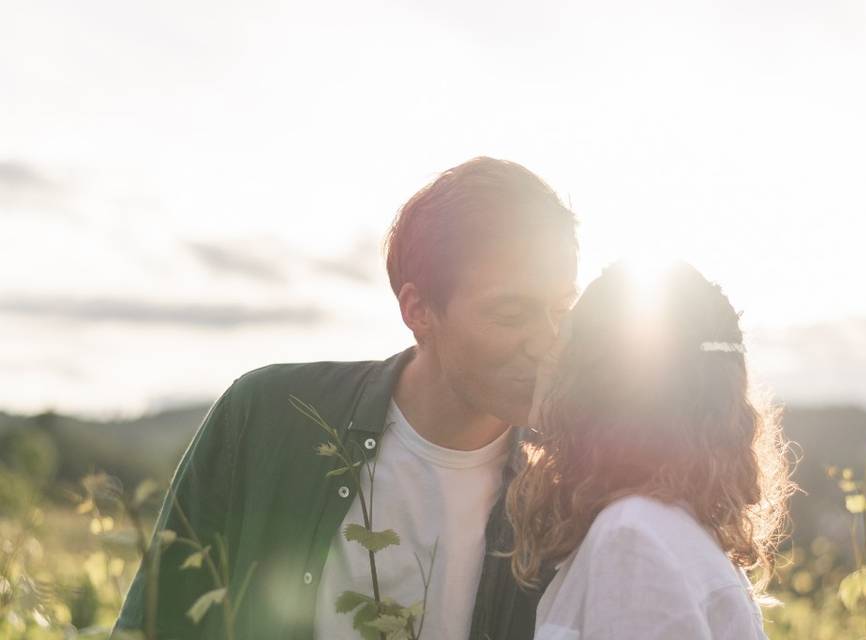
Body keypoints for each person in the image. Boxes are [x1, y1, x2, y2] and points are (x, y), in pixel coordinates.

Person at [113, 157, 579, 640]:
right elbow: (151, 623)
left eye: (562, 308)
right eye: (510, 312)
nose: (548, 342)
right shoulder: (268, 416)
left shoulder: (569, 484)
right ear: (417, 310)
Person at [506, 261, 795, 639]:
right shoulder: (669, 528)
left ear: (591, 386)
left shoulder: (633, 538)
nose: (544, 360)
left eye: (563, 346)